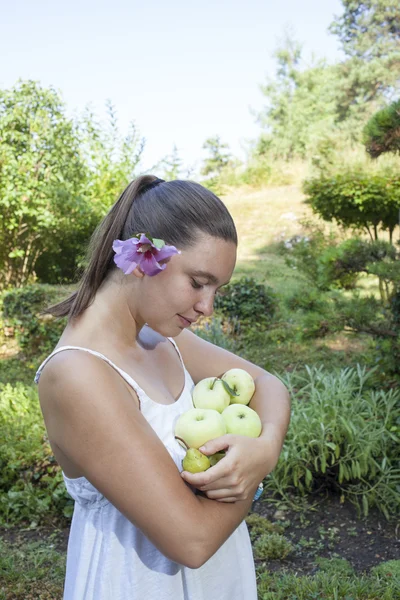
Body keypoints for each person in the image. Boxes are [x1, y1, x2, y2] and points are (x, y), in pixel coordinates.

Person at [34, 175, 290, 600]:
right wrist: (253, 480)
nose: (207, 307)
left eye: (216, 289)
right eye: (197, 282)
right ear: (141, 256)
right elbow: (191, 540)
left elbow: (269, 384)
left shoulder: (164, 339)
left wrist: (264, 450)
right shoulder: (78, 374)